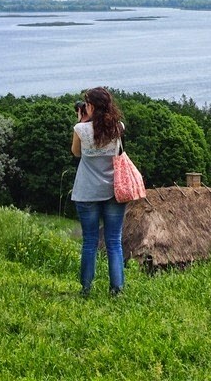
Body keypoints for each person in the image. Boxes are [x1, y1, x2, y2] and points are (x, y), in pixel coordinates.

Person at [71, 87, 126, 297]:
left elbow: (76, 153)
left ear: (91, 106)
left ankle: (86, 289)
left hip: (87, 192)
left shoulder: (80, 129)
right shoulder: (118, 127)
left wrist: (83, 122)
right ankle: (117, 290)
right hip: (114, 190)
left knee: (90, 242)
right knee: (114, 242)